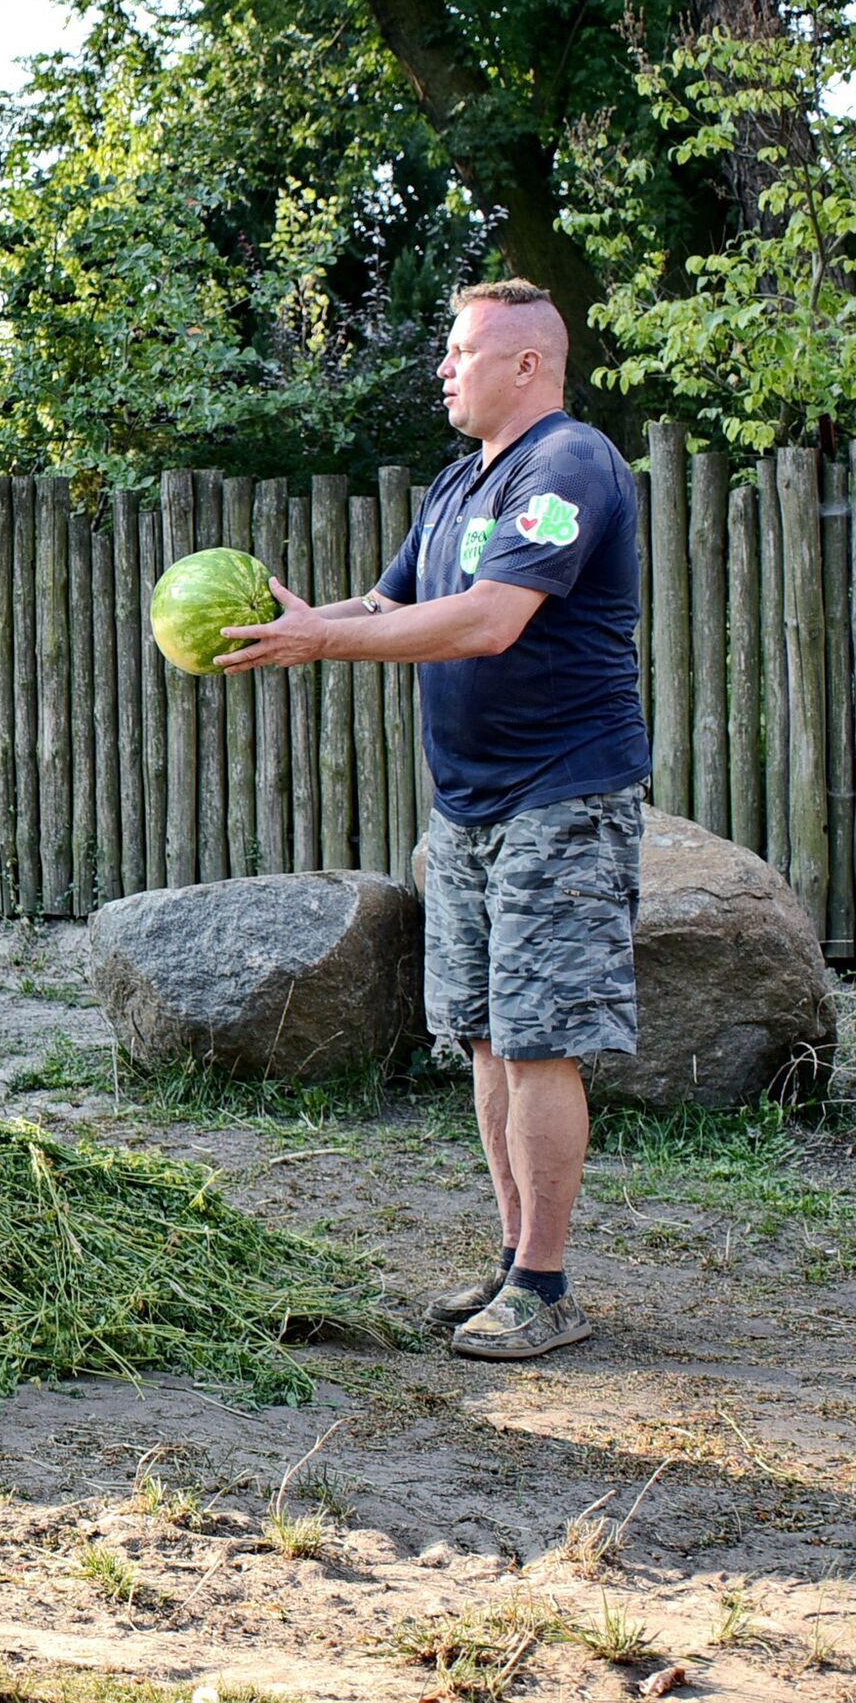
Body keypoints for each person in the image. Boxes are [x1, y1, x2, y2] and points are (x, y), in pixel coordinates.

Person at [215, 279, 650, 1361]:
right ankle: (512, 1263)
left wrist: (327, 642)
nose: (443, 369)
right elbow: (388, 600)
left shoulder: (567, 467)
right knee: (484, 1035)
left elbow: (491, 619)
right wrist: (304, 622)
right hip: (464, 806)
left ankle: (547, 1286)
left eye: (460, 351)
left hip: (562, 795)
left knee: (540, 1038)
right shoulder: (461, 481)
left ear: (525, 365)